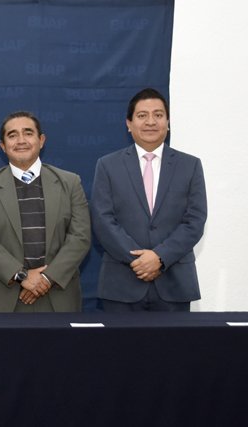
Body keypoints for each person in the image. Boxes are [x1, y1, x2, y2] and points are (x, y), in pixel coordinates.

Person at [91, 88, 207, 312]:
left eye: (158, 115)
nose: (151, 122)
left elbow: (195, 221)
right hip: (121, 283)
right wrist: (140, 261)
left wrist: (160, 257)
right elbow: (102, 220)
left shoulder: (190, 165)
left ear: (168, 122)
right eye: (142, 115)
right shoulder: (107, 165)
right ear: (129, 123)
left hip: (174, 283)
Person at [0, 111, 91, 312]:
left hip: (58, 296)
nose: (21, 140)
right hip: (4, 299)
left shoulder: (70, 183)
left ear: (41, 140)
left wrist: (46, 279)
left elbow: (80, 237)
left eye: (28, 133)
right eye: (12, 135)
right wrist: (22, 276)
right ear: (2, 146)